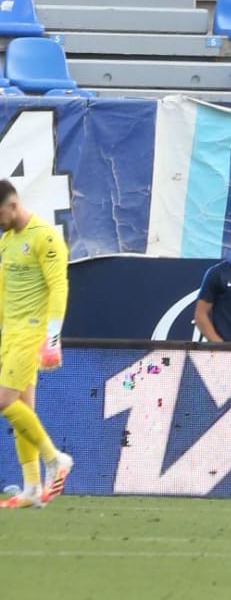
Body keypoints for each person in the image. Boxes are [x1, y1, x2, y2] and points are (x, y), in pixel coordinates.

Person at [0, 179, 72, 509]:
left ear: (13, 206)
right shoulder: (7, 240)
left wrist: (52, 338)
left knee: (3, 401)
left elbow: (59, 286)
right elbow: (5, 288)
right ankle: (31, 487)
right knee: (22, 412)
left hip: (31, 332)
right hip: (9, 333)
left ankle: (54, 457)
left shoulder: (44, 236)